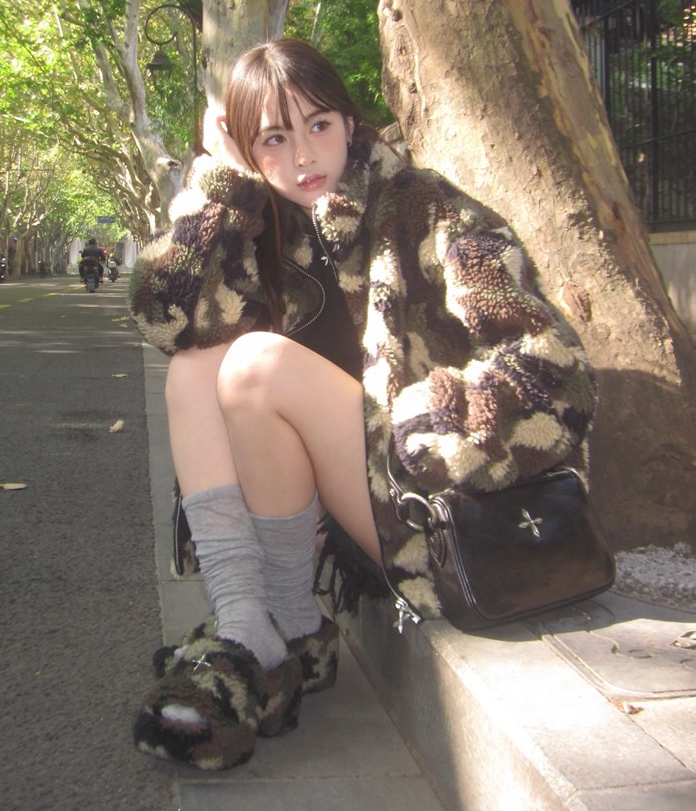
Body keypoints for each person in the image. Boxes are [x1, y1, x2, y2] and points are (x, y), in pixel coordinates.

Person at [128, 38, 596, 770]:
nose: (302, 156)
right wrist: (219, 188)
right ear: (246, 150)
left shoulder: (421, 205)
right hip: (349, 506)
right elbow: (166, 320)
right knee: (195, 366)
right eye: (272, 139)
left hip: (443, 509)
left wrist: (433, 426)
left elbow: (551, 358)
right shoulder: (259, 228)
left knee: (255, 364)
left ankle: (274, 628)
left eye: (319, 125)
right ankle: (259, 624)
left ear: (349, 122)